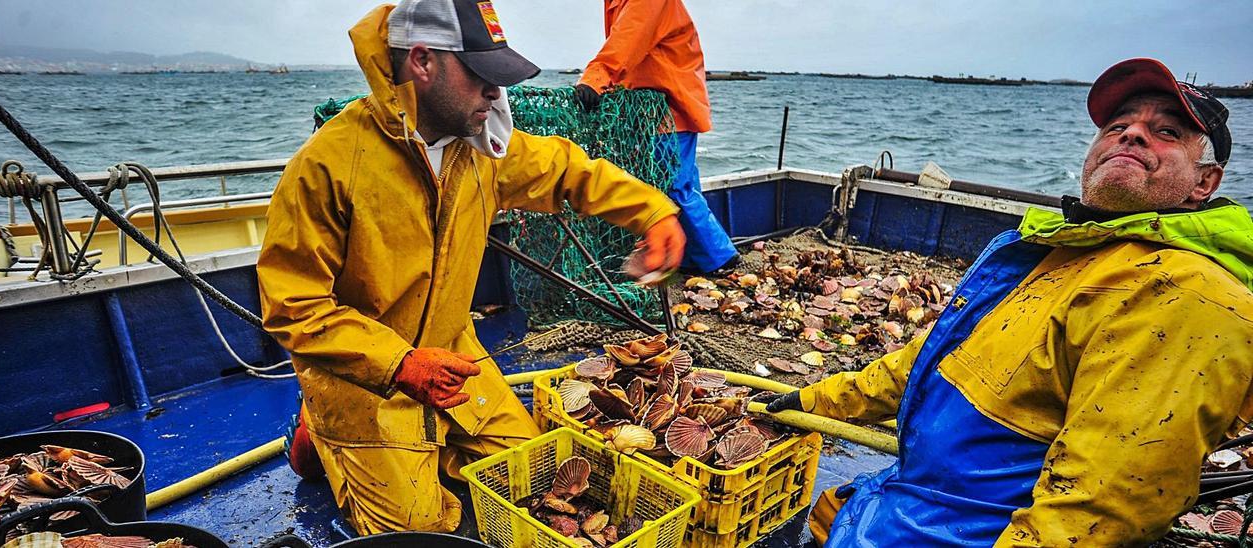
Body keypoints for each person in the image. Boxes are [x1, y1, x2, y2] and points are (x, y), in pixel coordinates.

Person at [766, 58, 1253, 546]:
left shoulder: (1187, 295)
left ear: (1204, 183)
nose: (1130, 136)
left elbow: (1096, 511)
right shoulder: (1066, 253)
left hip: (969, 533)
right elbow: (936, 360)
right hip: (913, 501)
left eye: (1166, 131)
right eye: (1117, 126)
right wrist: (814, 399)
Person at [257, 0, 686, 535]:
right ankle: (322, 432)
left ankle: (412, 446)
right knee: (421, 530)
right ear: (421, 61)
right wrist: (402, 365)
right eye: (482, 75)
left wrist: (653, 212)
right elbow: (291, 307)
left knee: (537, 470)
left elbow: (567, 170)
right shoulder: (327, 167)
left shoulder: (481, 148)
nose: (495, 93)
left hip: (454, 352)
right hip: (365, 383)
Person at [573, 0, 739, 274]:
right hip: (653, 110)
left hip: (670, 108)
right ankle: (686, 256)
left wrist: (596, 78)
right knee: (679, 183)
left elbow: (628, 39)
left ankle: (721, 259)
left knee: (674, 185)